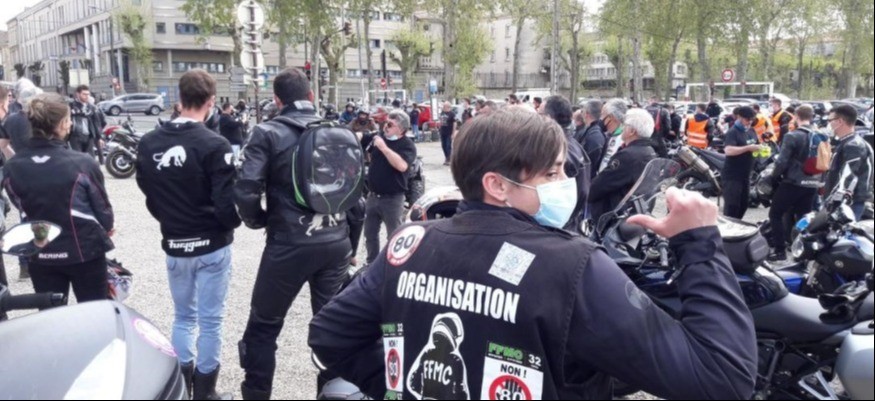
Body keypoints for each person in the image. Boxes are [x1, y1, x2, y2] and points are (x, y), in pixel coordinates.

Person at [308, 107, 757, 401]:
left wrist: (397, 386)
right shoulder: (572, 265)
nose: (566, 183)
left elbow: (330, 335)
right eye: (552, 172)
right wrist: (699, 244)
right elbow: (721, 378)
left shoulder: (411, 242)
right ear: (496, 185)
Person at [234, 68, 355, 400]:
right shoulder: (338, 131)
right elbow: (355, 193)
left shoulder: (267, 133)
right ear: (311, 96)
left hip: (289, 243)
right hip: (335, 240)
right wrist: (350, 241)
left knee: (263, 327)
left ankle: (257, 394)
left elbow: (246, 189)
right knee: (332, 326)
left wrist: (258, 220)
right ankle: (333, 393)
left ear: (277, 100)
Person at [135, 70, 241, 401]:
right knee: (210, 321)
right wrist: (230, 224)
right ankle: (205, 392)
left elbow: (148, 192)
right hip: (211, 244)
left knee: (183, 317)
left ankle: (181, 388)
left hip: (176, 242)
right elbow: (226, 204)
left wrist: (171, 219)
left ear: (179, 100)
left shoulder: (150, 142)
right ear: (211, 102)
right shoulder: (215, 144)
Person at [3, 93, 114, 304]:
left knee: (50, 317)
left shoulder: (12, 166)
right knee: (94, 314)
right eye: (69, 119)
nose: (71, 124)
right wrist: (106, 226)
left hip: (41, 250)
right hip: (84, 249)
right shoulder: (82, 162)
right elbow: (103, 209)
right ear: (63, 124)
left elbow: (19, 203)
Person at [767, 105, 823, 261]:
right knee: (803, 218)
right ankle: (803, 253)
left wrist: (773, 177)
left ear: (796, 117)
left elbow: (782, 161)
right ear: (811, 116)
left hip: (793, 182)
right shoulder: (821, 135)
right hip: (812, 183)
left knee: (775, 214)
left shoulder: (792, 136)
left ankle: (780, 251)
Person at [364, 110, 418, 265]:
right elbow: (367, 151)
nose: (385, 127)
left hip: (392, 199)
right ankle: (371, 264)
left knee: (394, 236)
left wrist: (384, 148)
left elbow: (402, 166)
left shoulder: (407, 145)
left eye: (390, 124)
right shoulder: (380, 137)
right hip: (373, 196)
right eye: (385, 123)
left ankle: (392, 266)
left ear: (401, 129)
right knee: (370, 234)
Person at [589, 109, 658, 224]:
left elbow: (600, 185)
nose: (622, 128)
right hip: (633, 213)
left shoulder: (628, 155)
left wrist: (585, 194)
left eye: (624, 125)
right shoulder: (649, 151)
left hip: (614, 217)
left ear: (632, 131)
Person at [541, 96, 591, 230]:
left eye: (539, 115)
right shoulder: (571, 144)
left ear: (548, 118)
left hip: (561, 226)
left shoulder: (558, 150)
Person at [824, 104, 873, 221]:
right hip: (846, 202)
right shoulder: (848, 142)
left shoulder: (853, 145)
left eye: (830, 120)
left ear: (840, 121)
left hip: (848, 204)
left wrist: (831, 201)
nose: (829, 124)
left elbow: (847, 177)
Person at [722, 106, 765, 219]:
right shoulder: (733, 132)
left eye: (752, 120)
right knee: (732, 206)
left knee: (744, 204)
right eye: (747, 119)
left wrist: (760, 149)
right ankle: (729, 228)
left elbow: (755, 145)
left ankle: (737, 225)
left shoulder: (751, 130)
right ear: (739, 117)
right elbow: (728, 150)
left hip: (746, 175)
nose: (750, 122)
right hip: (733, 175)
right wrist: (748, 148)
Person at [0, 80, 42, 158]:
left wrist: (16, 160)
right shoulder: (48, 119)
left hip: (21, 161)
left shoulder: (11, 119)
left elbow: (3, 145)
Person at [573, 100, 606, 178]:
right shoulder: (591, 130)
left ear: (586, 114)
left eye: (582, 111)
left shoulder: (595, 134)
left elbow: (592, 158)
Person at [68, 85, 103, 156]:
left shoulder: (91, 107)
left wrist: (99, 137)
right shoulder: (71, 106)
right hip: (75, 136)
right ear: (78, 94)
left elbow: (96, 123)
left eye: (88, 94)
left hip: (89, 136)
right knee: (77, 157)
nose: (86, 96)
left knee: (90, 157)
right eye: (84, 94)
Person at [598, 98, 627, 173]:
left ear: (612, 117)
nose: (600, 119)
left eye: (602, 115)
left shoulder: (623, 139)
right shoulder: (609, 135)